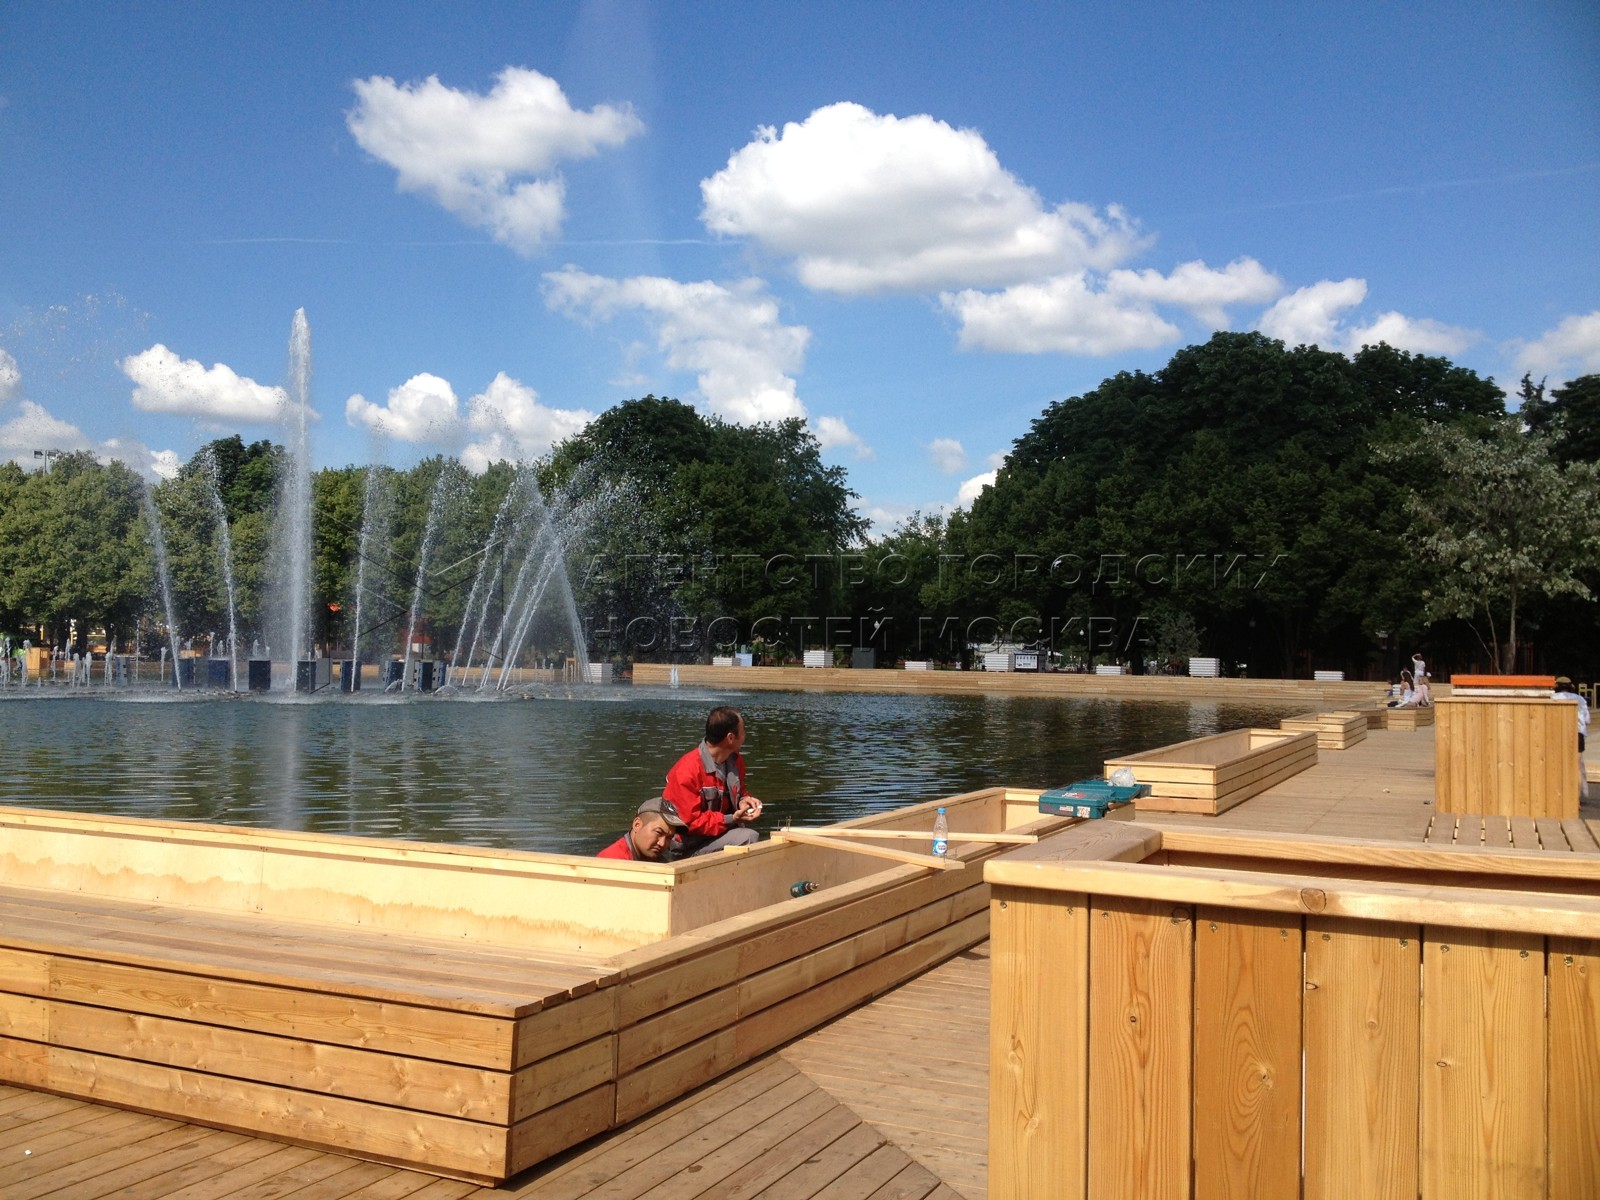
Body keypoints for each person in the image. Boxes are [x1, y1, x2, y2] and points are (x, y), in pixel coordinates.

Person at [664, 706, 763, 855]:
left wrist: (744, 800)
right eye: (743, 730)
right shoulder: (686, 771)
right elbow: (689, 822)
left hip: (717, 835)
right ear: (730, 738)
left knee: (747, 836)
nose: (745, 735)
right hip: (687, 847)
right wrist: (731, 818)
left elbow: (740, 790)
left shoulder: (735, 760)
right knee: (749, 837)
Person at [597, 796, 687, 861]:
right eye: (658, 832)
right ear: (637, 825)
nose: (662, 843)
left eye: (669, 838)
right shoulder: (612, 862)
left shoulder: (657, 860)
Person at [1553, 676, 1591, 803]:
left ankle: (1558, 797)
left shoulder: (1552, 698)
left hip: (1558, 733)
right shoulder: (1580, 699)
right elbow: (1587, 720)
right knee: (1577, 767)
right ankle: (1576, 799)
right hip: (1577, 733)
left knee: (1556, 765)